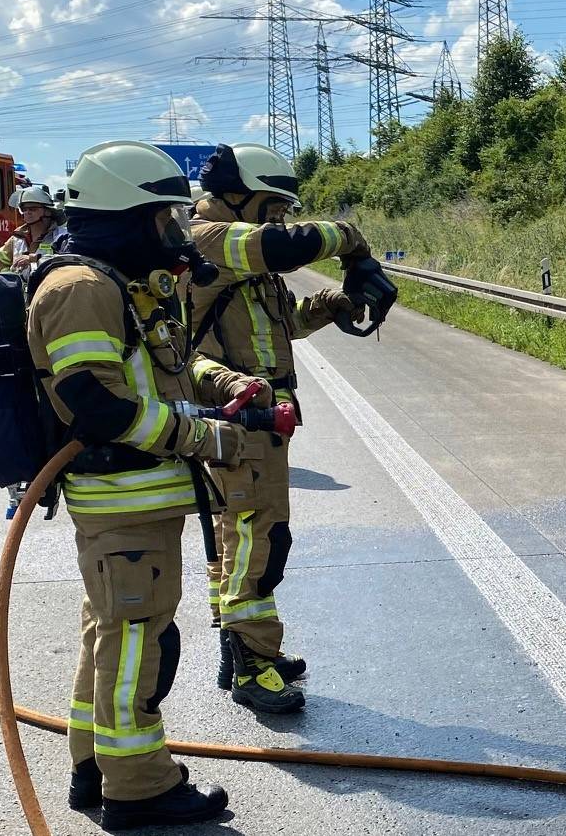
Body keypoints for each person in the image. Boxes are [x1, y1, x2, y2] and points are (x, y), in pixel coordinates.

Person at [36, 140, 264, 827]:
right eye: (163, 219)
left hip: (140, 505)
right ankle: (138, 786)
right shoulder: (81, 290)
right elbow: (96, 405)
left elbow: (170, 366)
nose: (176, 232)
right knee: (141, 643)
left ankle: (91, 766)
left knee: (112, 635)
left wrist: (224, 382)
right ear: (123, 217)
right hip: (121, 503)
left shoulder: (122, 284)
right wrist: (198, 435)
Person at [187, 142, 374, 715]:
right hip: (237, 416)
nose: (281, 218)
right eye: (272, 206)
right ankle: (253, 665)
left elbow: (280, 323)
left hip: (264, 420)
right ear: (238, 197)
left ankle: (238, 651)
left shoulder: (246, 261)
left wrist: (334, 303)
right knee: (256, 541)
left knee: (240, 538)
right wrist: (352, 240)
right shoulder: (209, 240)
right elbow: (284, 246)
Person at [0, 186, 65, 272]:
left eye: (32, 209)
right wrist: (10, 278)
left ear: (48, 211)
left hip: (50, 284)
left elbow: (69, 261)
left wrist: (35, 259)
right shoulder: (17, 238)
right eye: (24, 209)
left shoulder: (61, 236)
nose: (27, 212)